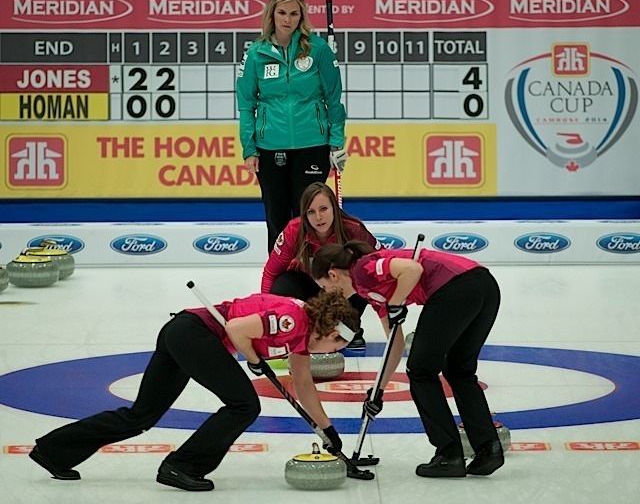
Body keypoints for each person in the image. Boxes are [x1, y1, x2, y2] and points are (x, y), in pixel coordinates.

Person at [29, 291, 358, 491]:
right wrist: (255, 360)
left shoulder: (303, 339)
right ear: (328, 328)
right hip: (194, 334)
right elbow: (235, 328)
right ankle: (183, 465)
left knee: (141, 415)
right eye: (336, 343)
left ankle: (53, 451)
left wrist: (327, 429)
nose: (331, 351)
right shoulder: (292, 319)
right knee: (244, 405)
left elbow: (303, 386)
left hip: (181, 333)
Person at [311, 241, 504, 478]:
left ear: (333, 275)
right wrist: (378, 391)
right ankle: (488, 448)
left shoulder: (363, 269)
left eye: (324, 287)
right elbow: (395, 343)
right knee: (459, 370)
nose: (328, 294)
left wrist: (396, 302)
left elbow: (412, 270)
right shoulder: (370, 293)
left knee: (421, 371)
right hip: (484, 286)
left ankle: (449, 453)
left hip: (456, 287)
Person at [236, 0, 347, 252]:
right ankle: (279, 280)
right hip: (269, 147)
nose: (288, 20)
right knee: (276, 218)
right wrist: (249, 148)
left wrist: (337, 143)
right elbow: (246, 103)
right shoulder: (255, 53)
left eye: (294, 14)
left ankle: (313, 275)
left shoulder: (318, 49)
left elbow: (334, 99)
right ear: (272, 15)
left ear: (302, 16)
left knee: (310, 216)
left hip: (312, 145)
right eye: (282, 13)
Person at [262, 182, 380, 349]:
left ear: (334, 208)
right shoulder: (293, 231)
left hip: (342, 291)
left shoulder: (354, 230)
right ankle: (296, 329)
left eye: (323, 209)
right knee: (281, 285)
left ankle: (349, 326)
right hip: (309, 286)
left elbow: (377, 270)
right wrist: (266, 316)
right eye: (311, 212)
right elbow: (270, 273)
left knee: (361, 276)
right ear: (304, 214)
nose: (318, 217)